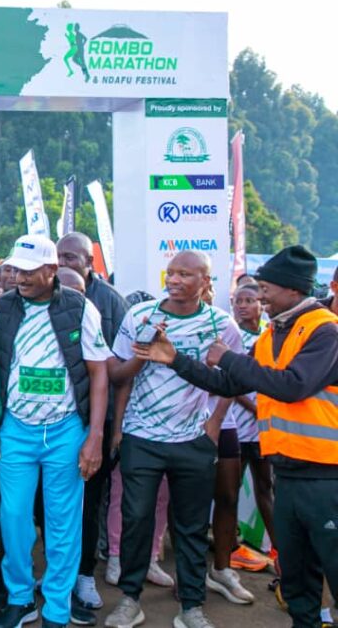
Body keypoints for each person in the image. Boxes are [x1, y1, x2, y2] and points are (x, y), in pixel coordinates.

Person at [137, 245, 338, 628]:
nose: (261, 296)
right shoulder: (273, 333)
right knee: (298, 579)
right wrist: (175, 359)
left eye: (266, 289)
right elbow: (227, 383)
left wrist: (228, 358)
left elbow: (293, 386)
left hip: (327, 478)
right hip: (289, 475)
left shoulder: (326, 331)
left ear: (293, 289)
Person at [103, 250, 243, 628]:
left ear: (205, 281)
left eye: (185, 274)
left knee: (192, 526)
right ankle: (130, 600)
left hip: (193, 440)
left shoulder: (220, 324)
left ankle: (191, 607)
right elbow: (118, 376)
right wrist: (119, 428)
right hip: (141, 437)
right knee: (136, 519)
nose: (175, 280)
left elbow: (233, 380)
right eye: (172, 273)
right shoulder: (141, 315)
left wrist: (214, 425)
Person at [0, 235, 110, 628]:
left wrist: (95, 436)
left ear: (51, 270)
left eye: (29, 271)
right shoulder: (2, 308)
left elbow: (98, 374)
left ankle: (57, 607)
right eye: (15, 270)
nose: (20, 278)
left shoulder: (80, 308)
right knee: (13, 518)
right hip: (16, 430)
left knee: (63, 522)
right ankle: (21, 598)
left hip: (65, 431)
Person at [55, 232, 129, 623]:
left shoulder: (110, 302)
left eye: (71, 256)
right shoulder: (44, 294)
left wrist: (109, 430)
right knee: (50, 505)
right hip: (49, 424)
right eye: (59, 256)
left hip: (95, 422)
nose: (63, 262)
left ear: (90, 261)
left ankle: (84, 575)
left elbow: (117, 370)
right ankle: (55, 575)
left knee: (89, 501)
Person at [227, 282, 277, 573]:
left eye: (249, 300)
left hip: (263, 430)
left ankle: (279, 551)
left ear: (261, 304)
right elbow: (229, 382)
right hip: (237, 426)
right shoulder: (233, 335)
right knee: (230, 490)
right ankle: (231, 548)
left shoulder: (269, 335)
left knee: (265, 487)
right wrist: (255, 408)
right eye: (238, 301)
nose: (243, 306)